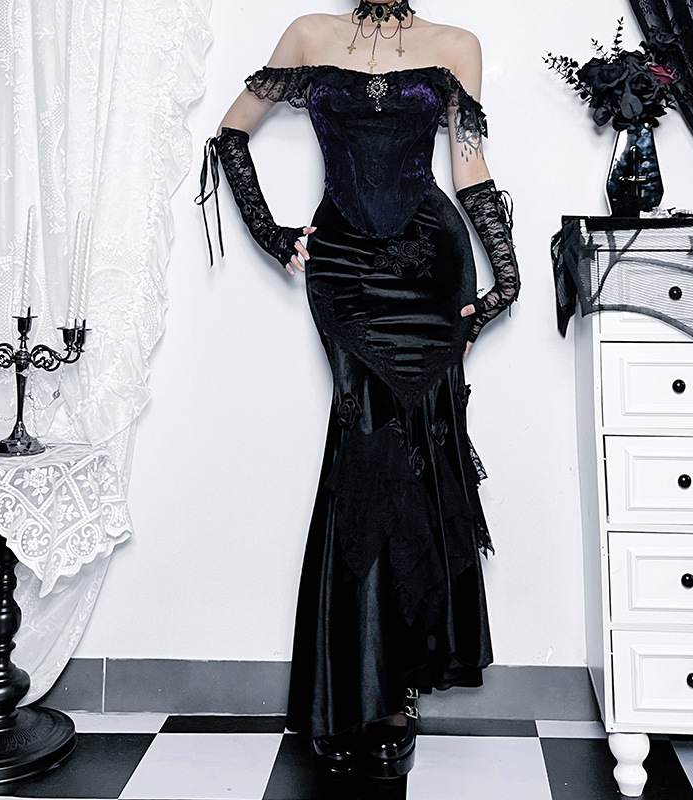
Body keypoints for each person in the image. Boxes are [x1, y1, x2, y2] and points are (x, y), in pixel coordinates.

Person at [197, 0, 520, 779]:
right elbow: (231, 134)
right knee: (363, 452)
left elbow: (468, 167)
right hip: (343, 269)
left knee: (421, 457)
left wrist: (506, 275)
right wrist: (272, 233)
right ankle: (349, 690)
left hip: (432, 264)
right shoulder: (310, 34)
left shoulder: (456, 45)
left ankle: (393, 689)